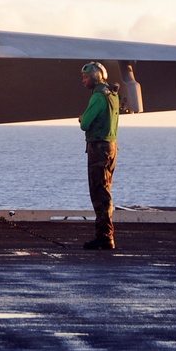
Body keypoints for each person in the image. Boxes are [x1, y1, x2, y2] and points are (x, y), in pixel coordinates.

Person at [78, 62, 120, 250]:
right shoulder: (112, 94)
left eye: (86, 77)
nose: (83, 81)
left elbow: (85, 123)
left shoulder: (97, 96)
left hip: (99, 148)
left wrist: (82, 117)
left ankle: (105, 236)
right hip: (111, 146)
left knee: (99, 191)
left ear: (95, 77)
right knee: (105, 188)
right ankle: (105, 234)